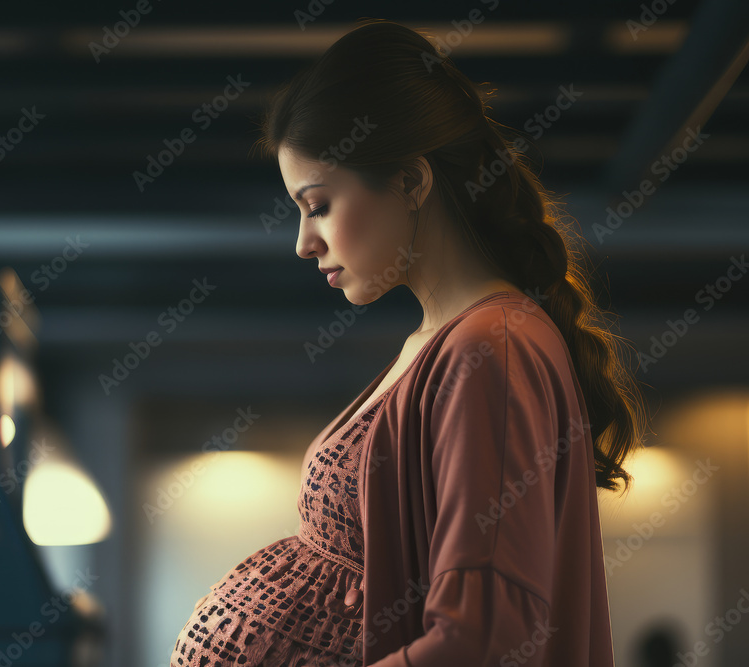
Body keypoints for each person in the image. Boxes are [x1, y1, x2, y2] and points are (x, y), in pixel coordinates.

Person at [170, 18, 648, 666]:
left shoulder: (492, 348)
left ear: (411, 181)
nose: (302, 242)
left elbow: (486, 639)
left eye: (318, 204)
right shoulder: (443, 341)